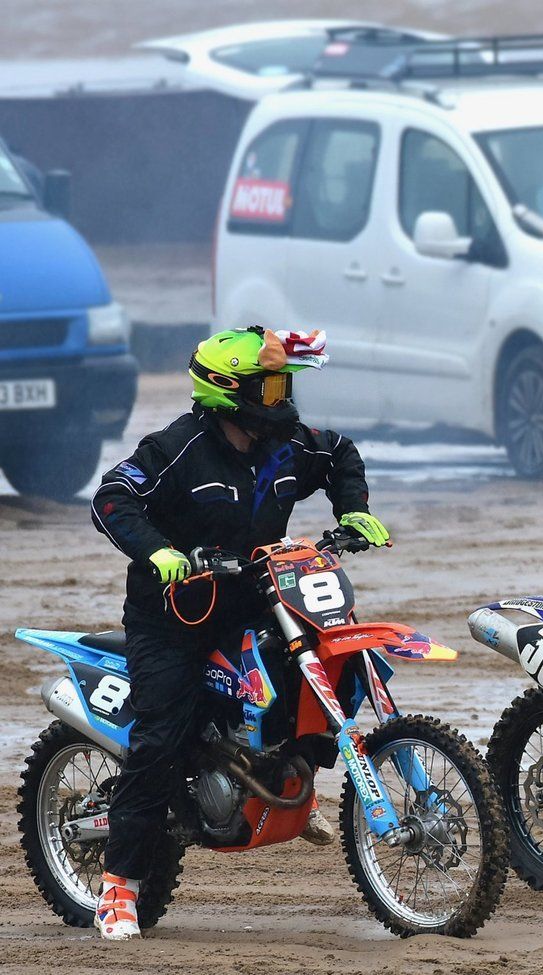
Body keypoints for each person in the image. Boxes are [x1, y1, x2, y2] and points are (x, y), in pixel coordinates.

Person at [88, 327, 388, 940]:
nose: (281, 398)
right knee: (159, 738)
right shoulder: (175, 448)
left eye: (284, 385)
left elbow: (340, 455)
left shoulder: (286, 445)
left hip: (258, 600)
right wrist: (161, 553)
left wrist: (352, 508)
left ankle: (288, 775)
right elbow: (112, 500)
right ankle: (119, 885)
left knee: (334, 667)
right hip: (174, 617)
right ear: (228, 391)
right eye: (268, 387)